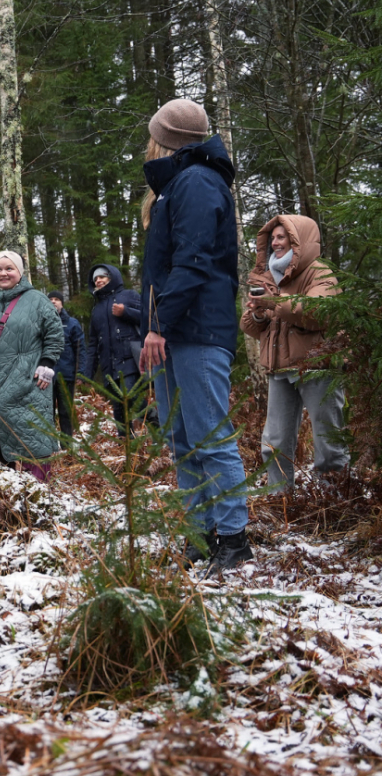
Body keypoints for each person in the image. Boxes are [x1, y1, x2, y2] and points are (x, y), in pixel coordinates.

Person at [138, 97, 252, 572]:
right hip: (174, 333)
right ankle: (198, 536)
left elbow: (193, 260)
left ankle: (233, 539)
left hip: (198, 332)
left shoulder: (199, 183)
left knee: (209, 434)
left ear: (166, 140)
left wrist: (158, 325)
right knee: (183, 438)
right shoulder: (177, 186)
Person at [240, 214, 348, 491]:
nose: (275, 243)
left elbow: (318, 312)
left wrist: (275, 302)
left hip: (317, 366)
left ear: (298, 241)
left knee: (328, 441)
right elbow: (251, 327)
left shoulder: (319, 271)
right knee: (274, 441)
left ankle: (335, 500)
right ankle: (280, 501)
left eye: (282, 237)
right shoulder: (267, 276)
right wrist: (260, 315)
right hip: (279, 369)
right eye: (272, 238)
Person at [0, 250, 63, 480]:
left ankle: (39, 497)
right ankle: (5, 501)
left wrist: (46, 363)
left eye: (9, 268)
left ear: (20, 272)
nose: (3, 273)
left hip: (28, 382)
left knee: (33, 442)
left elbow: (55, 335)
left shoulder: (37, 300)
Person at [84, 264, 151, 435]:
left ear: (112, 276)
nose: (98, 280)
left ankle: (159, 427)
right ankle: (126, 449)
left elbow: (149, 318)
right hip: (109, 366)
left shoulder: (128, 296)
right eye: (95, 279)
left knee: (132, 396)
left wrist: (126, 312)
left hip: (130, 359)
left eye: (102, 276)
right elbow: (93, 345)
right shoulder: (96, 310)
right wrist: (86, 374)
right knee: (119, 410)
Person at [46, 290, 83, 438]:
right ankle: (49, 447)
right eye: (51, 299)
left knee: (65, 411)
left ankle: (67, 446)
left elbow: (81, 350)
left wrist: (80, 372)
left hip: (66, 375)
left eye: (57, 299)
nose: (53, 301)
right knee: (46, 412)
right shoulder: (41, 323)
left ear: (62, 303)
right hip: (45, 376)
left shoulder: (72, 324)